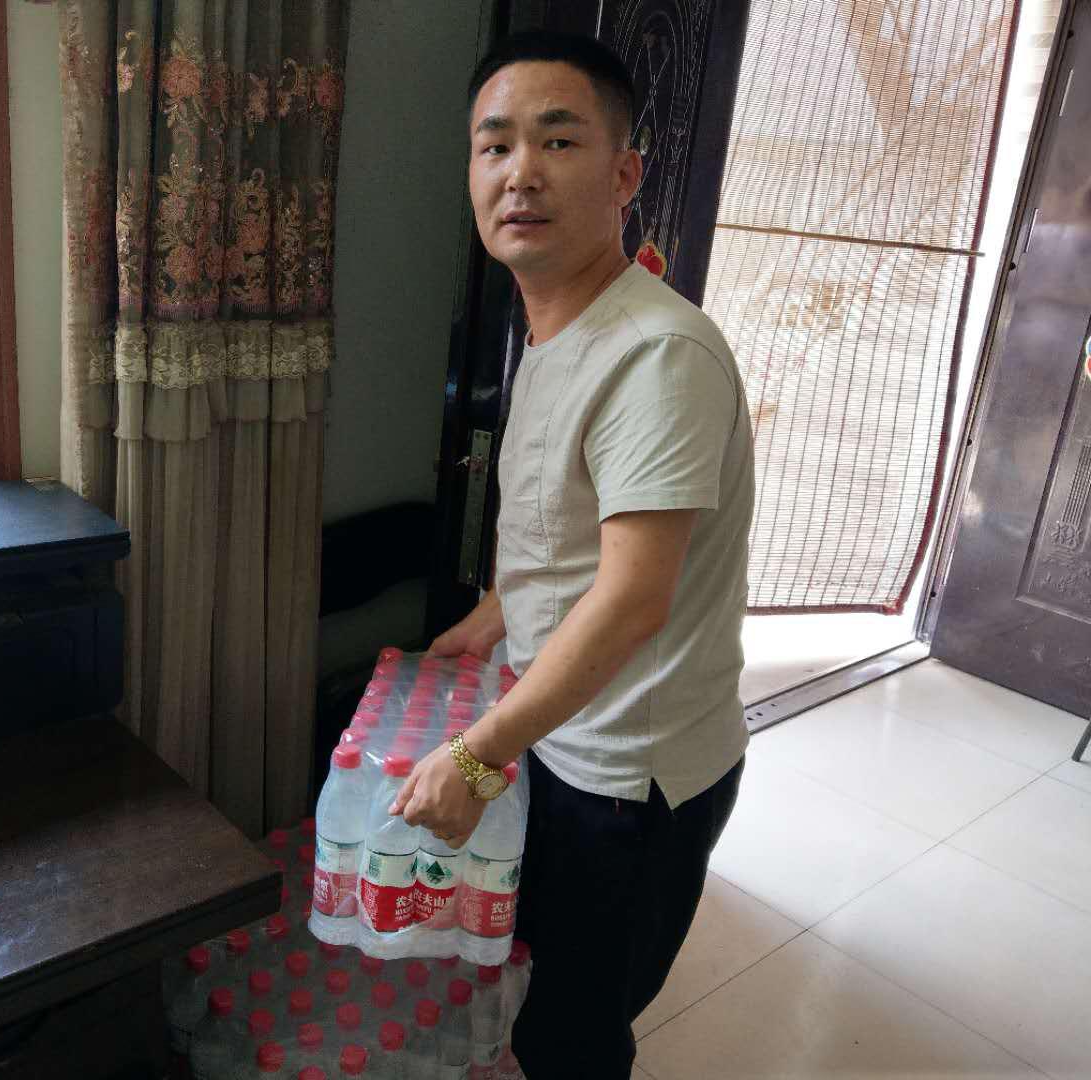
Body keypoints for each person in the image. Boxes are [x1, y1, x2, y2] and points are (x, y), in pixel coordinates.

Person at [387, 30, 754, 1078]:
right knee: (536, 981)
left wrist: (475, 756)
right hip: (560, 731)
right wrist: (496, 611)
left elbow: (633, 597)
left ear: (625, 175)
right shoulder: (554, 329)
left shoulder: (657, 354)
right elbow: (574, 529)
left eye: (558, 140)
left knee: (574, 1032)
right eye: (494, 145)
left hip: (632, 773)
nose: (521, 173)